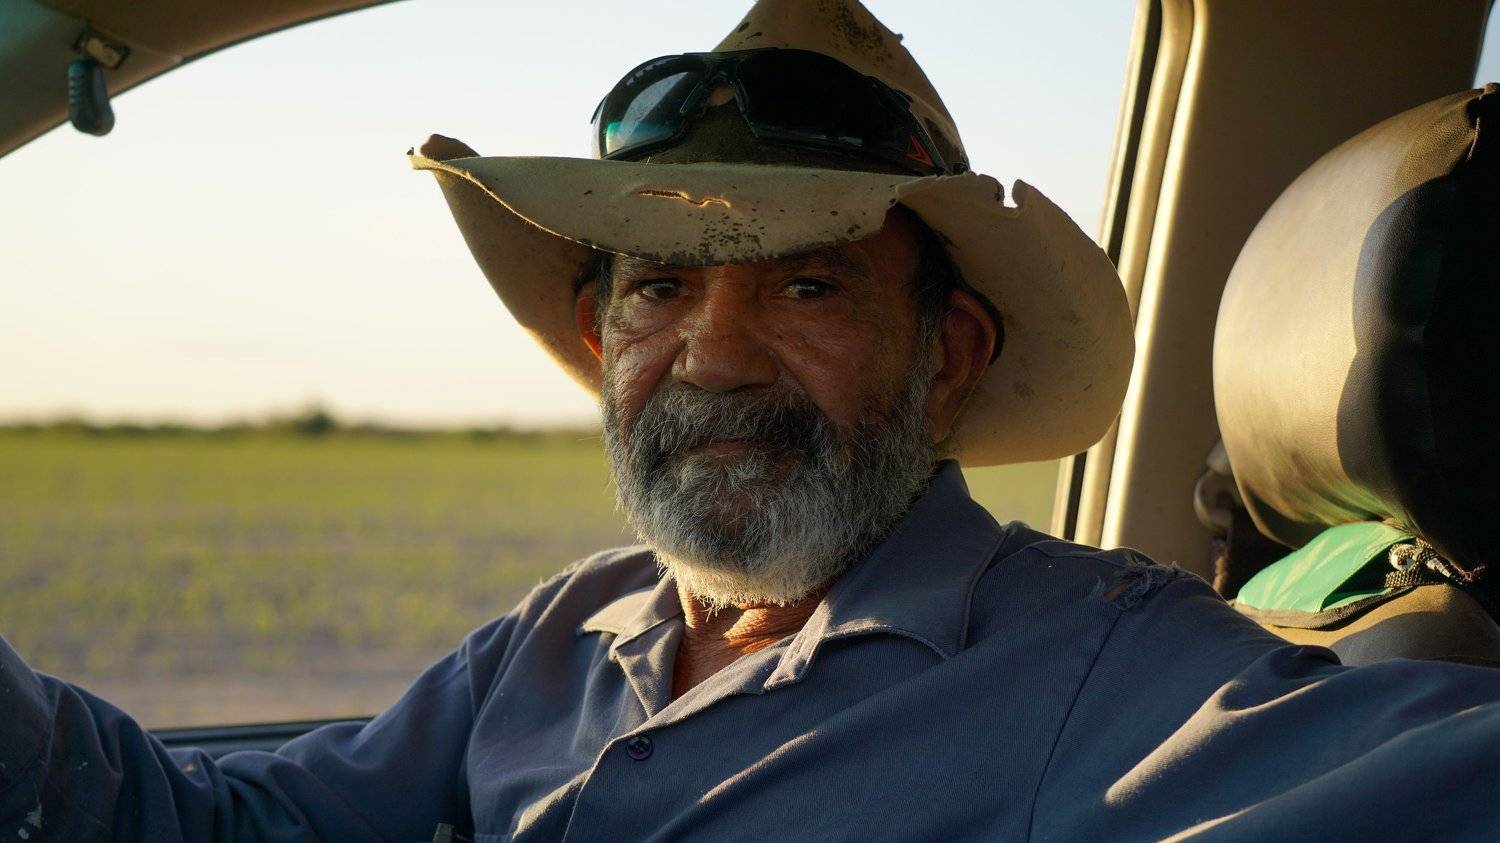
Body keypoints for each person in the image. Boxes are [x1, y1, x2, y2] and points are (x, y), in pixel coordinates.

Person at [4, 1, 1500, 840]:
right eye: (659, 288)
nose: (713, 359)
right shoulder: (559, 638)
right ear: (600, 342)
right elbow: (234, 831)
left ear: (949, 356)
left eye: (807, 285)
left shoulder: (1111, 667)